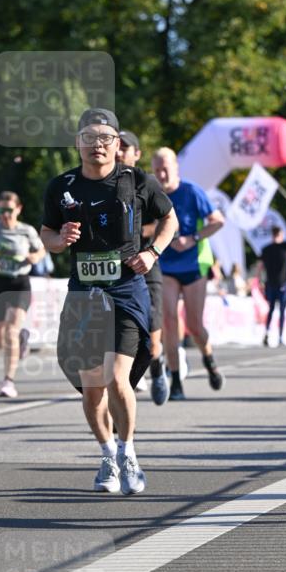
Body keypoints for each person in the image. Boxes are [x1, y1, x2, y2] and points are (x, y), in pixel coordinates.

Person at [41, 108, 177, 495]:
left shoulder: (136, 181)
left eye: (105, 138)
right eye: (89, 137)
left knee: (117, 378)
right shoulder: (61, 185)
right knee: (92, 385)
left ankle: (128, 451)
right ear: (77, 143)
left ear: (118, 145)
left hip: (125, 290)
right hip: (85, 293)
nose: (97, 144)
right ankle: (106, 456)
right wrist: (58, 240)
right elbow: (46, 233)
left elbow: (170, 220)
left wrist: (152, 253)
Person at [150, 147, 225, 400]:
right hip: (166, 265)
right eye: (157, 169)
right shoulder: (152, 195)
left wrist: (192, 239)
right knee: (169, 322)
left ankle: (209, 358)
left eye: (165, 168)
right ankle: (176, 381)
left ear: (176, 168)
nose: (161, 173)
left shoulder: (191, 191)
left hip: (193, 266)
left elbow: (218, 220)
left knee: (194, 325)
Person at [0, 191, 46, 397]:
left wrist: (34, 257)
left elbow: (41, 250)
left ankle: (8, 380)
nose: (5, 215)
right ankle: (21, 339)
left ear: (18, 209)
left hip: (19, 283)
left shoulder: (26, 231)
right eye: (1, 210)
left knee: (11, 330)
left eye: (9, 210)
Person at [117, 129, 169, 404]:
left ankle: (158, 368)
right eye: (116, 146)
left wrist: (146, 241)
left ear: (136, 154)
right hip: (115, 274)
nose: (118, 152)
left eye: (125, 148)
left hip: (147, 267)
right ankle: (124, 387)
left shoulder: (145, 184)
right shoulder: (100, 182)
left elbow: (168, 221)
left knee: (153, 339)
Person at [260, 225, 286, 346]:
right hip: (278, 283)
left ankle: (272, 333)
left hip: (274, 283)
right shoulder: (283, 246)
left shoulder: (266, 249)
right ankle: (278, 336)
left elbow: (260, 266)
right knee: (279, 310)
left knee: (273, 309)